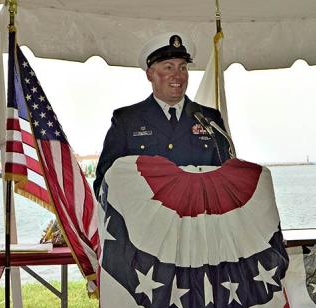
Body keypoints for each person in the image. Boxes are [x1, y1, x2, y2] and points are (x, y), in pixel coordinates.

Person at [93, 33, 230, 198]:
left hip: (200, 220)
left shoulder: (209, 118)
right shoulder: (127, 120)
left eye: (183, 67)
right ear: (150, 74)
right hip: (147, 221)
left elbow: (227, 177)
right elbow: (105, 182)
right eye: (169, 67)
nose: (177, 75)